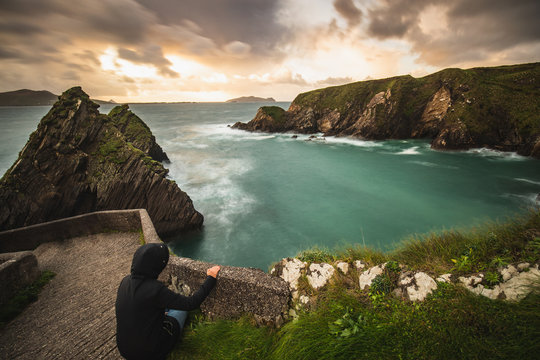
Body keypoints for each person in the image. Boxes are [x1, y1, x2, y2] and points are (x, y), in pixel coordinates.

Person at [115, 243, 220, 360]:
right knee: (180, 310)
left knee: (155, 306)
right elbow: (191, 303)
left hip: (124, 350)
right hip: (150, 353)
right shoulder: (155, 290)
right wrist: (211, 278)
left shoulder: (125, 281)